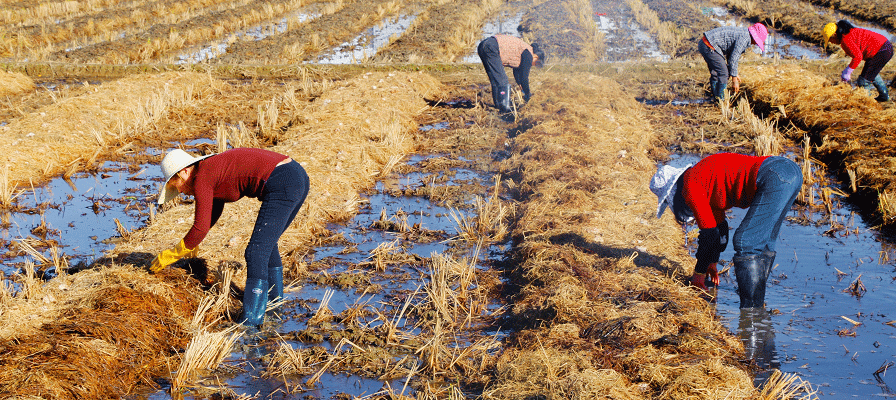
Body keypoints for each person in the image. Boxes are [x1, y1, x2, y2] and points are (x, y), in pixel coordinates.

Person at [151, 147, 309, 326]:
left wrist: (174, 253)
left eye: (174, 184)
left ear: (185, 172)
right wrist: (193, 243)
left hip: (283, 181)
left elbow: (200, 227)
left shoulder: (202, 177)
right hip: (295, 175)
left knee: (255, 252)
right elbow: (211, 212)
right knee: (266, 245)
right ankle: (274, 306)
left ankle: (251, 324)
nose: (180, 192)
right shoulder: (209, 171)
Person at [649, 153, 802, 309]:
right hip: (790, 171)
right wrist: (712, 263)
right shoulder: (703, 179)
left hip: (773, 175)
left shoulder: (691, 185)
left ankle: (751, 316)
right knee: (765, 242)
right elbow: (720, 230)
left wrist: (698, 275)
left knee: (745, 242)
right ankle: (757, 307)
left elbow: (709, 235)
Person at [823, 20, 892, 102]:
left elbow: (858, 57)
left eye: (830, 40)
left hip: (881, 51)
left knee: (863, 81)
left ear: (834, 35)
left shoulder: (845, 40)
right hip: (886, 47)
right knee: (870, 74)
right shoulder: (849, 33)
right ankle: (884, 98)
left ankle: (867, 103)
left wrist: (847, 72)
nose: (831, 43)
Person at [698, 23, 768, 102]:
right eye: (757, 42)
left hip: (705, 43)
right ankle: (721, 100)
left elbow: (730, 54)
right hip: (709, 45)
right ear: (755, 37)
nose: (755, 44)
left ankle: (716, 97)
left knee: (717, 72)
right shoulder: (744, 38)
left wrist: (734, 73)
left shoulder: (744, 34)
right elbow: (734, 58)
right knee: (723, 73)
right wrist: (734, 79)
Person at [477, 34, 544, 113]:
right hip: (492, 47)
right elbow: (524, 78)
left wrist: (519, 83)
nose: (534, 65)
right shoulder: (529, 54)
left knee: (495, 79)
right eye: (536, 63)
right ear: (536, 57)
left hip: (483, 45)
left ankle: (499, 105)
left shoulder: (524, 50)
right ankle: (505, 109)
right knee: (503, 80)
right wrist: (527, 93)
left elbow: (517, 71)